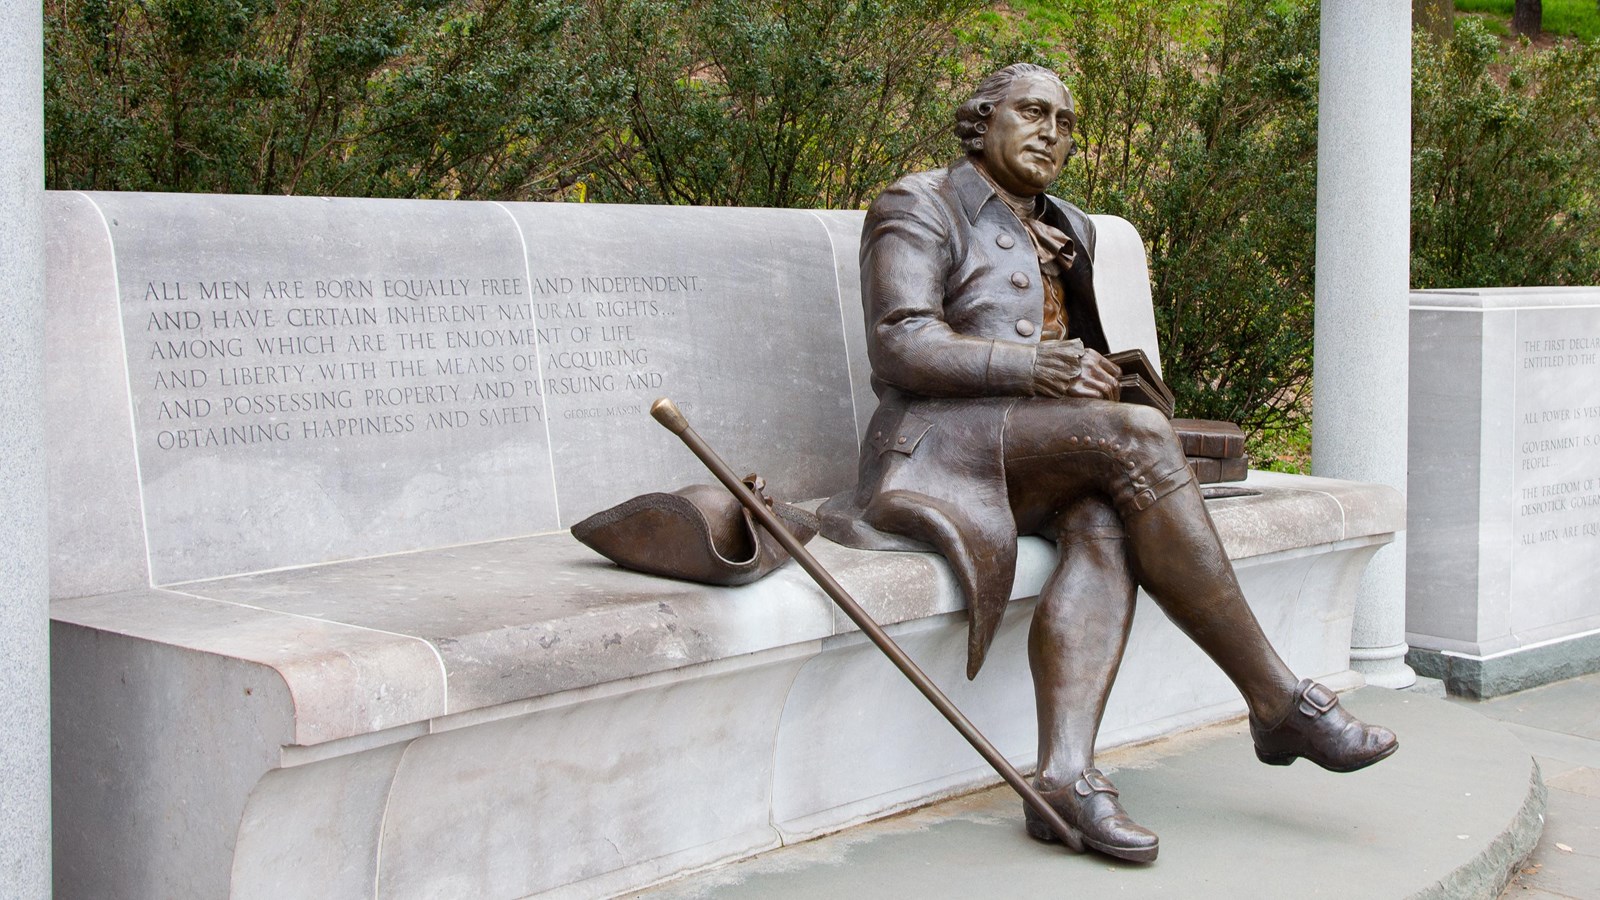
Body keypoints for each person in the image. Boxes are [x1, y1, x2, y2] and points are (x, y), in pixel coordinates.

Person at [818, 63, 1397, 864]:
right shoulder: (918, 204)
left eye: (1065, 120)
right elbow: (901, 340)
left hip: (1040, 452)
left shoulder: (1071, 226)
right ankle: (1277, 700)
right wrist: (1036, 369)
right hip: (937, 449)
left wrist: (1095, 372)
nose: (1052, 131)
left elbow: (1070, 355)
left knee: (1104, 518)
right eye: (1031, 112)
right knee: (1137, 443)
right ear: (980, 121)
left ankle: (1064, 777)